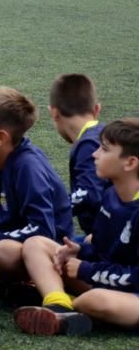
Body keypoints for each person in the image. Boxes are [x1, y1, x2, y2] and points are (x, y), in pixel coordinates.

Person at [15, 118, 139, 336]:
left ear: (130, 163)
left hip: (131, 296)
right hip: (110, 283)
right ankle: (58, 305)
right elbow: (104, 250)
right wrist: (80, 251)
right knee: (36, 245)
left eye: (104, 149)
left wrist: (85, 269)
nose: (95, 154)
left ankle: (69, 309)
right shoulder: (111, 195)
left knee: (96, 300)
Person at [0, 87, 71, 287]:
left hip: (43, 249)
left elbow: (43, 230)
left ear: (0, 138)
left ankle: (38, 280)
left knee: (3, 251)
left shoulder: (28, 167)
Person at [48, 73, 108, 235]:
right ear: (97, 109)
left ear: (54, 113)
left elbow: (89, 195)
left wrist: (47, 208)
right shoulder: (102, 134)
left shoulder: (89, 144)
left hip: (108, 242)